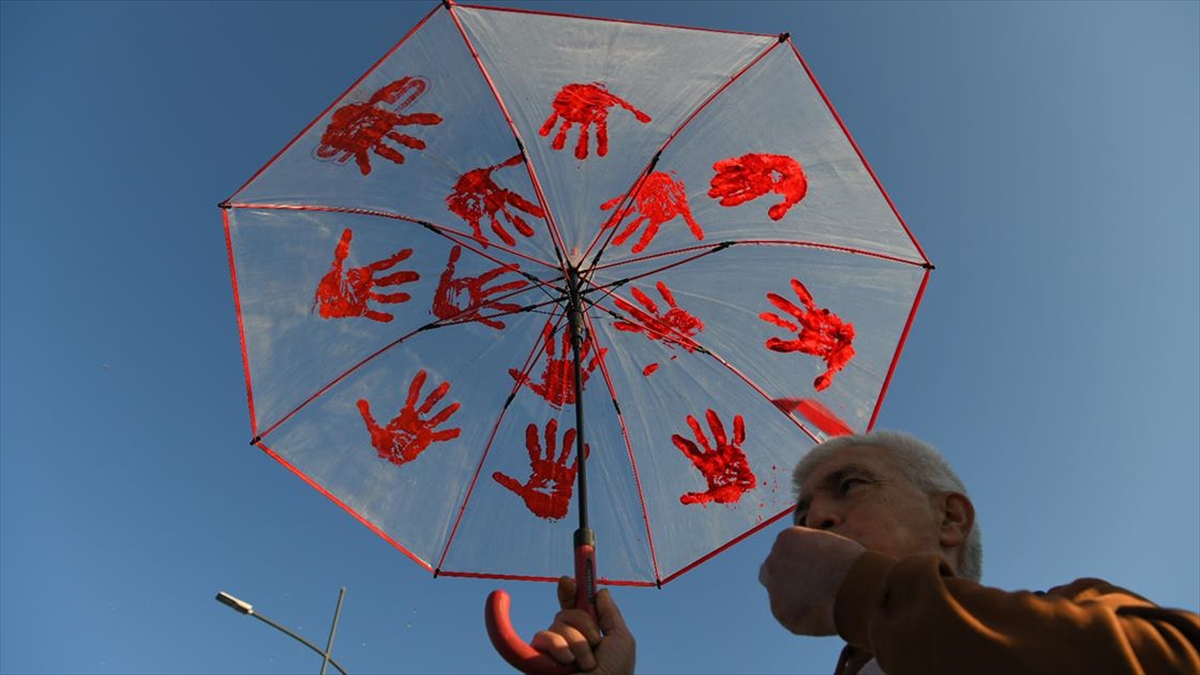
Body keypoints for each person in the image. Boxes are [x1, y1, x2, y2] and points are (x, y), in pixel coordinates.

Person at [532, 430, 1200, 674]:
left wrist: (861, 588)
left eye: (849, 485)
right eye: (800, 509)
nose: (815, 515)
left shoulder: (1087, 614)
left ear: (949, 517)